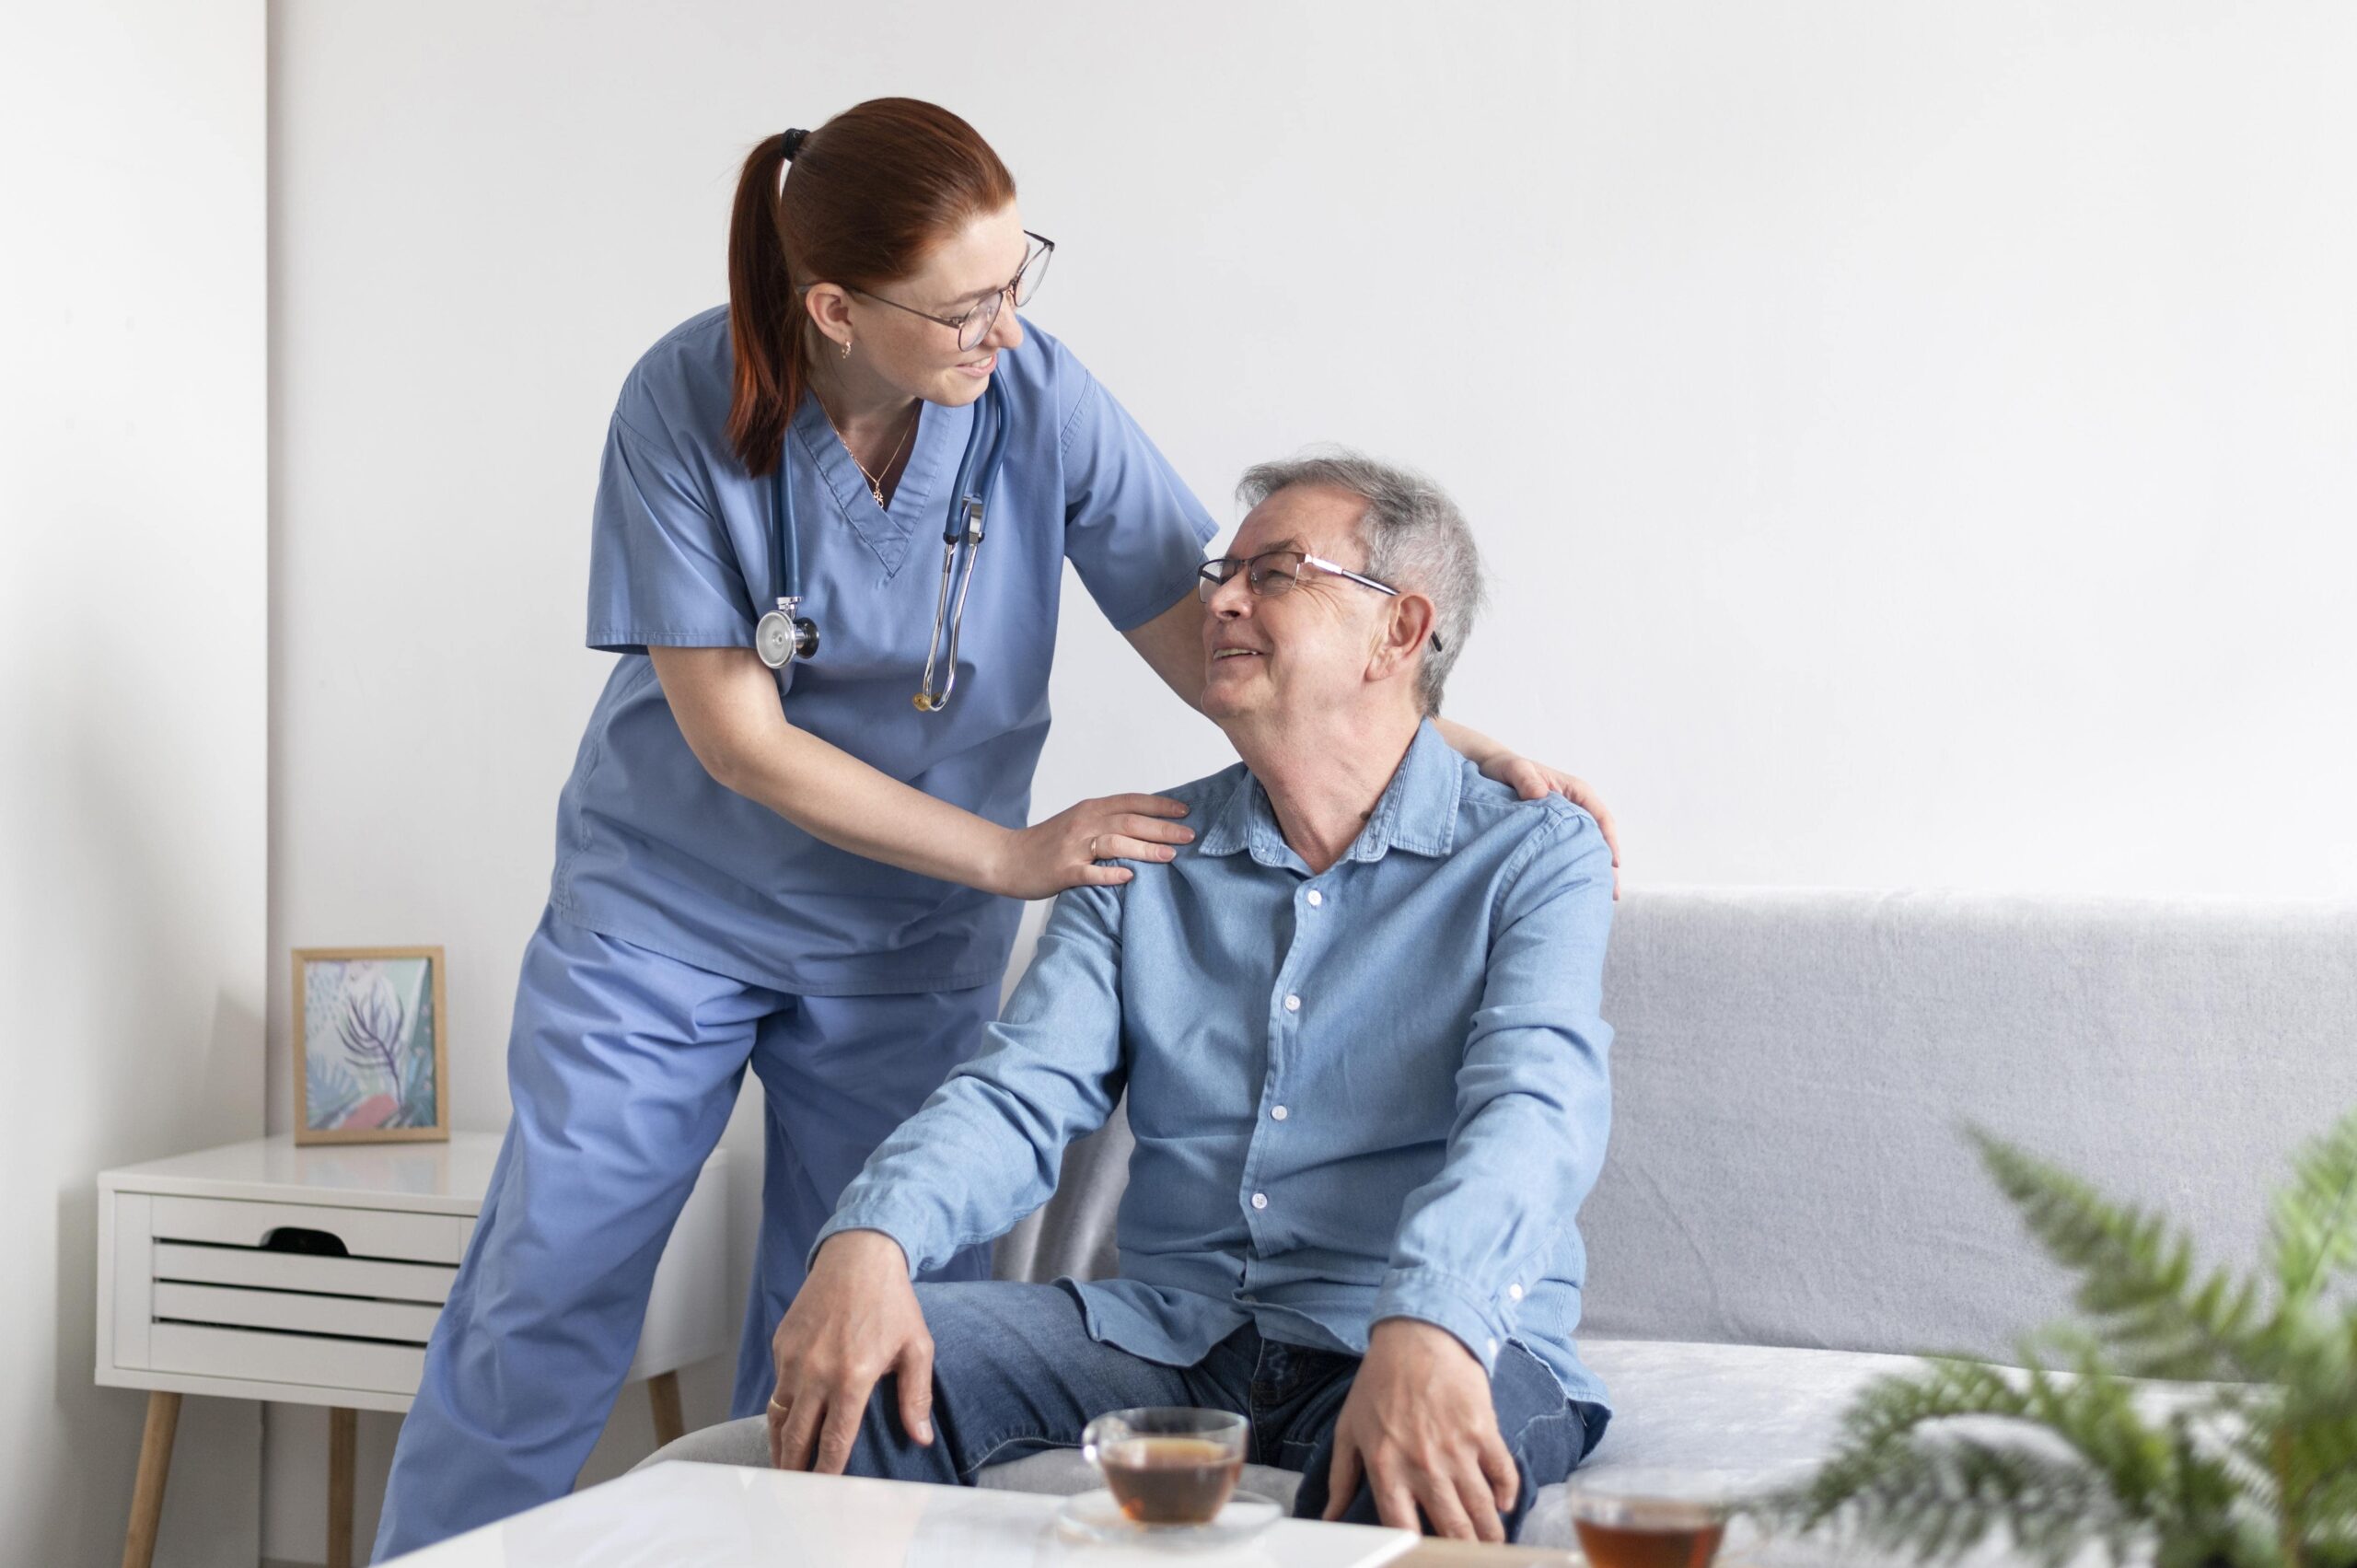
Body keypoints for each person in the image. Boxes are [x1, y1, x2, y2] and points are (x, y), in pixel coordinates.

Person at [375, 99, 1619, 1558]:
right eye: (967, 303)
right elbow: (736, 734)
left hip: (904, 945)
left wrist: (1448, 742)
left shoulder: (1035, 395)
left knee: (847, 1336)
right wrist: (1018, 854)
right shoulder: (684, 400)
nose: (1006, 327)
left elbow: (1212, 621)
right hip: (675, 913)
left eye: (1018, 275)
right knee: (549, 1285)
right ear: (835, 307)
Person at [650, 453, 1618, 1545]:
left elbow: (1536, 1106)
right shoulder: (1145, 851)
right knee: (874, 1374)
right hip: (1171, 1332)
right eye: (1223, 570)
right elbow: (1018, 1091)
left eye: (1277, 571)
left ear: (1399, 633)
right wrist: (871, 1234)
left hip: (1436, 1326)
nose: (1223, 598)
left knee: (1401, 1484)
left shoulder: (1533, 852)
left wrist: (1433, 1314)